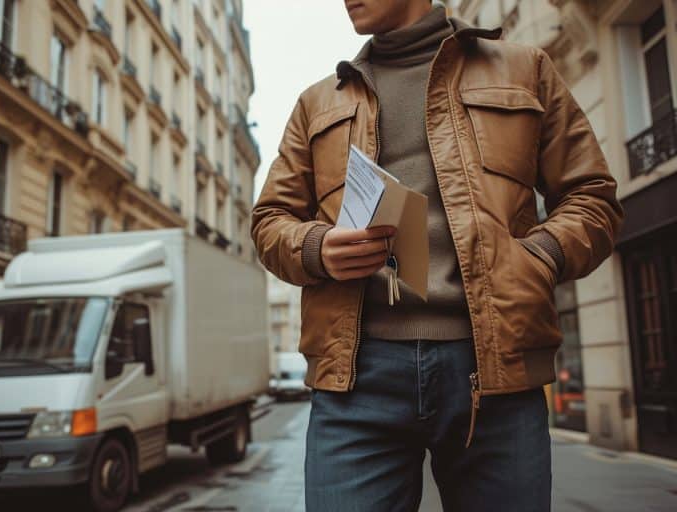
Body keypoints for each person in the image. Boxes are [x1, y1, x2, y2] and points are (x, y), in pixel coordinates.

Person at [250, 0, 624, 510]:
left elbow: (592, 198)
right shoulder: (316, 103)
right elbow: (269, 220)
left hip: (496, 368)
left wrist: (536, 259)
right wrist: (316, 248)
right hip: (355, 377)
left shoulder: (526, 68)